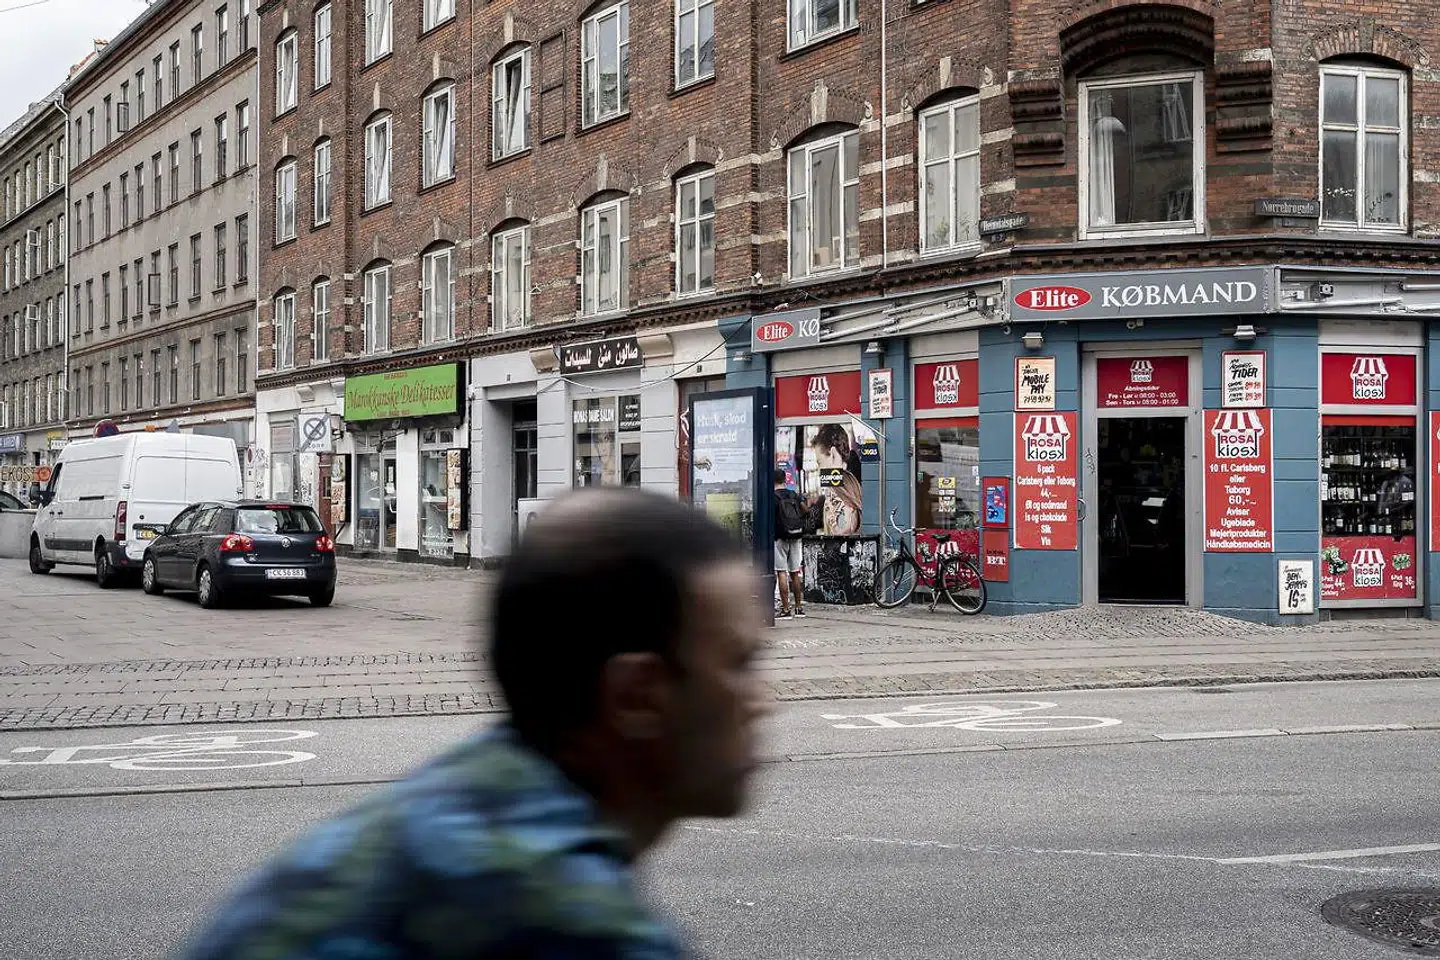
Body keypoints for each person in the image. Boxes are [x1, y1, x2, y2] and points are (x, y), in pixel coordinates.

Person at [174, 487, 768, 960]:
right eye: (739, 664)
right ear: (637, 697)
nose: (762, 700)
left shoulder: (479, 785)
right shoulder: (569, 922)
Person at [809, 423, 863, 535]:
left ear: (833, 454)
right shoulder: (849, 477)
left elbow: (811, 523)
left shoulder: (844, 483)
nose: (819, 470)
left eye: (820, 462)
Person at [773, 467, 808, 618]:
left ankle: (786, 609)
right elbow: (806, 511)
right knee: (794, 572)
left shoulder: (772, 497)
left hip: (779, 537)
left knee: (781, 572)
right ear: (785, 479)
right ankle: (799, 608)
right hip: (795, 535)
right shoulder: (793, 494)